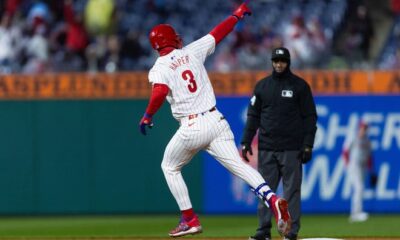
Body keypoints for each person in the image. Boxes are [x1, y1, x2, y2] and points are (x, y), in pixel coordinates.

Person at [138, 3, 291, 238]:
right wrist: (236, 15)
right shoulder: (191, 51)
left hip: (192, 126)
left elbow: (159, 91)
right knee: (240, 166)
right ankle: (272, 199)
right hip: (216, 120)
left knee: (169, 166)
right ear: (171, 38)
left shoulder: (159, 67)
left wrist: (148, 115)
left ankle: (189, 219)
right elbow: (217, 33)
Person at [241, 47, 317, 240]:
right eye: (276, 61)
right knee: (266, 192)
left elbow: (309, 118)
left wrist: (308, 144)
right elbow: (253, 116)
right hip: (267, 148)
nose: (279, 64)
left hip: (292, 148)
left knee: (292, 192)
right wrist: (246, 141)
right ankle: (263, 230)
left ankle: (290, 232)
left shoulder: (300, 86)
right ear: (272, 62)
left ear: (288, 62)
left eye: (282, 61)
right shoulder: (262, 86)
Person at [342, 121, 373, 222]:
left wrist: (371, 170)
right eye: (363, 128)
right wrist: (347, 165)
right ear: (359, 128)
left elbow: (369, 156)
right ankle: (356, 213)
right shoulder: (353, 137)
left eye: (365, 128)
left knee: (359, 189)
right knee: (359, 188)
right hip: (354, 165)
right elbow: (345, 151)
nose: (364, 129)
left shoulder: (367, 141)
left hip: (362, 167)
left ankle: (356, 213)